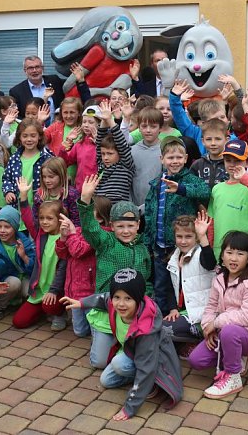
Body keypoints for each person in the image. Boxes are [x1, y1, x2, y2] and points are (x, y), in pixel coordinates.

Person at [61, 268, 183, 421]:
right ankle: (140, 380)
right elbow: (103, 298)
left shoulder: (146, 329)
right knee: (106, 380)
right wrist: (81, 303)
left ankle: (152, 381)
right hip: (132, 351)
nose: (121, 304)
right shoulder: (113, 303)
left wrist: (130, 408)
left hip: (151, 359)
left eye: (128, 299)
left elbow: (146, 368)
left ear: (138, 299)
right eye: (117, 297)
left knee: (121, 364)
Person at [187, 231, 248, 399]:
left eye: (240, 254)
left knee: (229, 331)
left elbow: (247, 317)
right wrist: (208, 326)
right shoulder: (220, 278)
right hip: (225, 331)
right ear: (222, 255)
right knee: (196, 360)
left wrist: (217, 323)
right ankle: (235, 355)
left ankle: (233, 376)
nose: (233, 258)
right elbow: (211, 306)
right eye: (229, 253)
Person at [77, 175, 152, 369]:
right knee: (99, 362)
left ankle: (121, 347)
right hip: (106, 307)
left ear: (137, 225)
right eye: (120, 226)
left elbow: (147, 279)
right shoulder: (106, 242)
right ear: (111, 226)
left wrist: (148, 301)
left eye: (130, 226)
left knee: (128, 355)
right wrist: (85, 200)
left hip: (131, 312)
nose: (126, 231)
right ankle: (100, 334)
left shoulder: (143, 248)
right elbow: (90, 229)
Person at [143, 137, 211, 313]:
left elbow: (205, 192)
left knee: (180, 285)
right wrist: (148, 240)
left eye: (179, 157)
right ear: (162, 159)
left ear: (186, 158)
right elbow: (150, 212)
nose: (175, 161)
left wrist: (181, 188)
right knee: (160, 285)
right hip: (159, 245)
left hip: (180, 245)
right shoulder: (157, 183)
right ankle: (161, 320)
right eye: (170, 158)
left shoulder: (189, 179)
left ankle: (181, 320)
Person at [14, 184, 68, 331]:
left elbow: (63, 268)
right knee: (19, 321)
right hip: (39, 291)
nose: (44, 222)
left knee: (49, 305)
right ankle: (42, 310)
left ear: (60, 219)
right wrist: (23, 196)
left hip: (56, 290)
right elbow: (28, 219)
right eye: (42, 218)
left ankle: (59, 313)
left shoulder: (65, 238)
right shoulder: (41, 235)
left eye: (50, 218)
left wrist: (54, 290)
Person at [208, 140, 248, 262]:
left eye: (237, 161)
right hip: (220, 256)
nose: (232, 164)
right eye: (228, 160)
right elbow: (212, 221)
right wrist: (210, 247)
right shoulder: (217, 189)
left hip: (246, 258)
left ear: (247, 162)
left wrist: (245, 179)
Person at [54, 198, 110, 337]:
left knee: (94, 326)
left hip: (88, 291)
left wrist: (72, 234)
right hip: (73, 289)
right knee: (79, 331)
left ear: (101, 218)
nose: (84, 215)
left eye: (89, 213)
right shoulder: (78, 230)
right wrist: (63, 237)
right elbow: (62, 254)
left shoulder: (100, 234)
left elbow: (78, 251)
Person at [162, 212, 217, 348]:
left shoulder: (200, 254)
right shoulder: (174, 258)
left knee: (164, 329)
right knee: (158, 326)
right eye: (179, 236)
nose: (183, 241)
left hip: (200, 313)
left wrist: (203, 236)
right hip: (182, 311)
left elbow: (210, 263)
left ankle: (196, 336)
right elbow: (170, 288)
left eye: (188, 237)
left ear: (196, 238)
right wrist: (173, 309)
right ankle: (184, 345)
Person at [0, 206, 36, 320]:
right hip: (7, 280)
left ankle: (20, 302)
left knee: (31, 289)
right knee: (14, 282)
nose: (2, 230)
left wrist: (23, 256)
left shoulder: (24, 242)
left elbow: (33, 269)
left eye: (7, 227)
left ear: (15, 228)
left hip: (23, 277)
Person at [2, 118, 54, 206]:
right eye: (25, 136)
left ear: (40, 136)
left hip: (41, 206)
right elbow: (7, 179)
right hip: (17, 206)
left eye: (33, 136)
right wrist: (8, 191)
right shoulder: (14, 158)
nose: (29, 139)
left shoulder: (47, 157)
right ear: (19, 137)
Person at [94, 101, 135, 203]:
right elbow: (100, 141)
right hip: (100, 209)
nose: (105, 157)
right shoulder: (101, 165)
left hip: (118, 211)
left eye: (110, 154)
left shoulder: (125, 164)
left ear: (120, 153)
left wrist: (110, 120)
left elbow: (121, 142)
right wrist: (104, 119)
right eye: (103, 154)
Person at [127, 106, 164, 210]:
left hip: (157, 207)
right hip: (134, 207)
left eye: (153, 126)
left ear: (160, 128)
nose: (148, 130)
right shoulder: (132, 151)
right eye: (144, 126)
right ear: (139, 127)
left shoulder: (165, 151)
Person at [59, 104, 100, 191]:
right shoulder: (79, 144)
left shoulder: (104, 144)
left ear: (99, 124)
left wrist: (98, 142)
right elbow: (64, 163)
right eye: (84, 122)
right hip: (79, 189)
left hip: (97, 190)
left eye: (91, 122)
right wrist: (65, 145)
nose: (86, 125)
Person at [190, 118, 230, 189]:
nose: (213, 143)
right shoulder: (197, 165)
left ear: (226, 140)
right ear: (203, 141)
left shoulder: (231, 164)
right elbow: (191, 189)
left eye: (218, 139)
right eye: (208, 139)